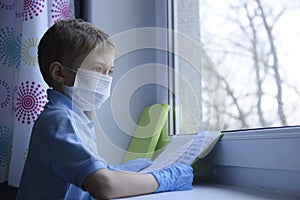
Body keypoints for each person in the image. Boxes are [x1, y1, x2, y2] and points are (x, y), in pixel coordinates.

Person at [17, 19, 193, 199]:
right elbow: (103, 186)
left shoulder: (71, 117)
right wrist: (166, 179)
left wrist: (135, 169)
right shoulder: (59, 121)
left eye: (109, 71)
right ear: (59, 73)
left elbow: (89, 175)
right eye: (97, 69)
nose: (106, 80)